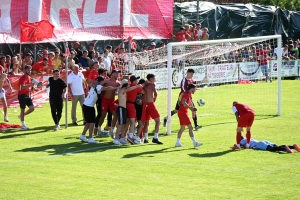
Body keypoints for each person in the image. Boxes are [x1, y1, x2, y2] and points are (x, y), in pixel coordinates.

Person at [79, 76, 117, 144]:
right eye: (103, 81)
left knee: (88, 122)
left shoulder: (95, 85)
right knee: (92, 122)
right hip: (89, 106)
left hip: (86, 105)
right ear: (101, 81)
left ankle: (83, 135)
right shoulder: (99, 86)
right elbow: (107, 88)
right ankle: (90, 137)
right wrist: (117, 88)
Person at [114, 79, 143, 145]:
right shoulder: (122, 90)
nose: (129, 85)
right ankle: (116, 139)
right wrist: (137, 86)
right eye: (128, 84)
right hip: (121, 108)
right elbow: (129, 89)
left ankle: (121, 138)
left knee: (123, 124)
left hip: (124, 108)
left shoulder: (123, 90)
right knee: (121, 124)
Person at [98, 70, 120, 137]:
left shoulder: (118, 83)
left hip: (112, 101)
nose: (117, 75)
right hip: (105, 100)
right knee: (103, 115)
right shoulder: (106, 81)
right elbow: (98, 85)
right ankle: (98, 128)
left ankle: (112, 130)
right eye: (116, 73)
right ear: (112, 74)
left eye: (118, 74)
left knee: (116, 115)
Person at [141, 73, 163, 144]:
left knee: (146, 122)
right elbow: (155, 93)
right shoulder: (152, 85)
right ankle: (155, 137)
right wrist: (154, 99)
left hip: (144, 104)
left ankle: (146, 138)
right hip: (150, 104)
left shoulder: (144, 84)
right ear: (151, 79)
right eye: (154, 78)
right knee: (158, 120)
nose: (155, 79)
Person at [18, 65, 37, 130]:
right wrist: (30, 85)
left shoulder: (29, 77)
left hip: (27, 95)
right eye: (28, 70)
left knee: (32, 108)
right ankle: (23, 125)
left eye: (30, 70)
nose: (29, 71)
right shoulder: (22, 78)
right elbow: (22, 87)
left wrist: (34, 88)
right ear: (25, 70)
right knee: (22, 109)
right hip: (22, 95)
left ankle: (21, 116)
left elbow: (30, 86)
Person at [126, 75, 144, 144]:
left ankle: (123, 136)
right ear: (133, 81)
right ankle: (130, 136)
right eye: (136, 80)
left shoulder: (128, 86)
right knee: (133, 122)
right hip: (131, 105)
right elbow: (143, 92)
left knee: (127, 121)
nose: (137, 81)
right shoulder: (136, 87)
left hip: (126, 104)